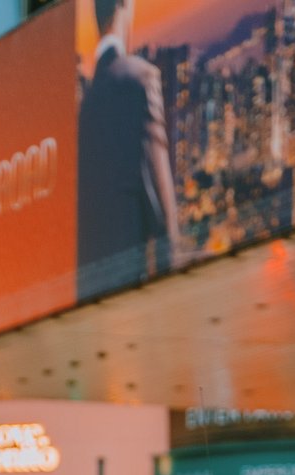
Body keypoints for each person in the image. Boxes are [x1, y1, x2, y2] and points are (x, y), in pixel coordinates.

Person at [77, 0, 180, 297]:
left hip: (88, 297)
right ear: (124, 5)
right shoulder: (139, 78)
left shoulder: (85, 106)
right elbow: (161, 210)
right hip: (131, 292)